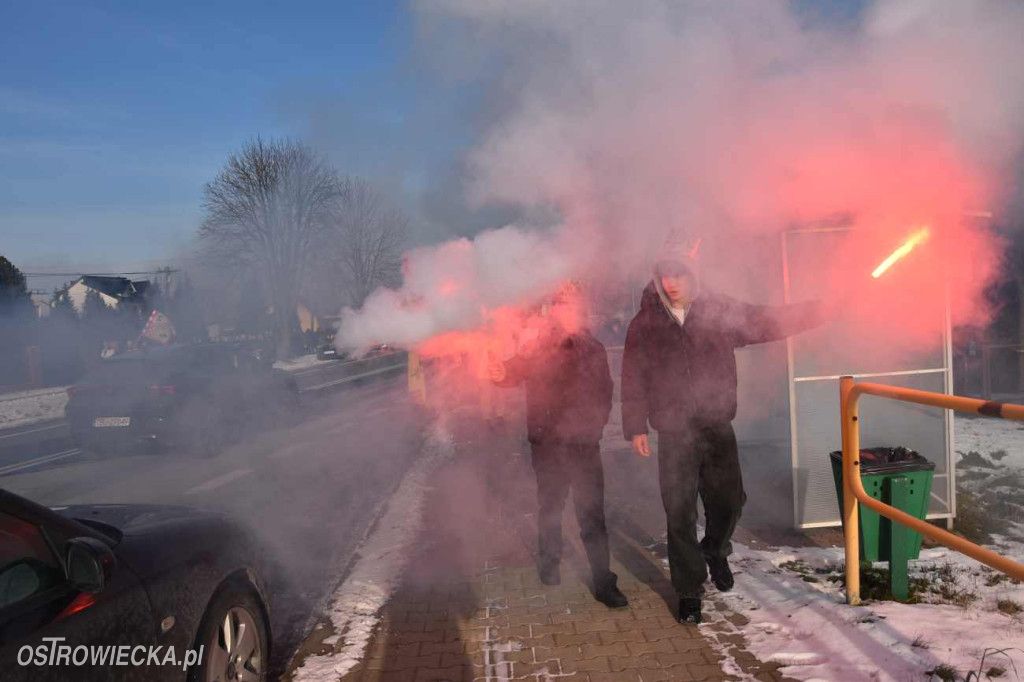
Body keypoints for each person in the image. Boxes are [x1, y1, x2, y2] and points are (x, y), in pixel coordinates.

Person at [621, 233, 827, 624]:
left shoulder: (719, 311)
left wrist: (822, 309)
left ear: (693, 276)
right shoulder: (644, 323)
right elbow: (632, 376)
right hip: (674, 432)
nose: (671, 283)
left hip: (717, 427)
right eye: (665, 275)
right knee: (679, 513)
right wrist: (636, 427)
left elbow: (768, 320)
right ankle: (689, 589)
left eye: (679, 275)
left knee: (729, 503)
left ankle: (715, 549)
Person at [489, 283, 629, 608]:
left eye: (570, 303)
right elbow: (513, 370)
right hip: (547, 443)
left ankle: (603, 580)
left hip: (583, 443)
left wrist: (594, 426)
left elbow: (605, 392)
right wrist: (498, 372)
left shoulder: (592, 347)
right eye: (559, 303)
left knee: (591, 514)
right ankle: (549, 562)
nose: (563, 309)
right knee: (550, 507)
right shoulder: (537, 345)